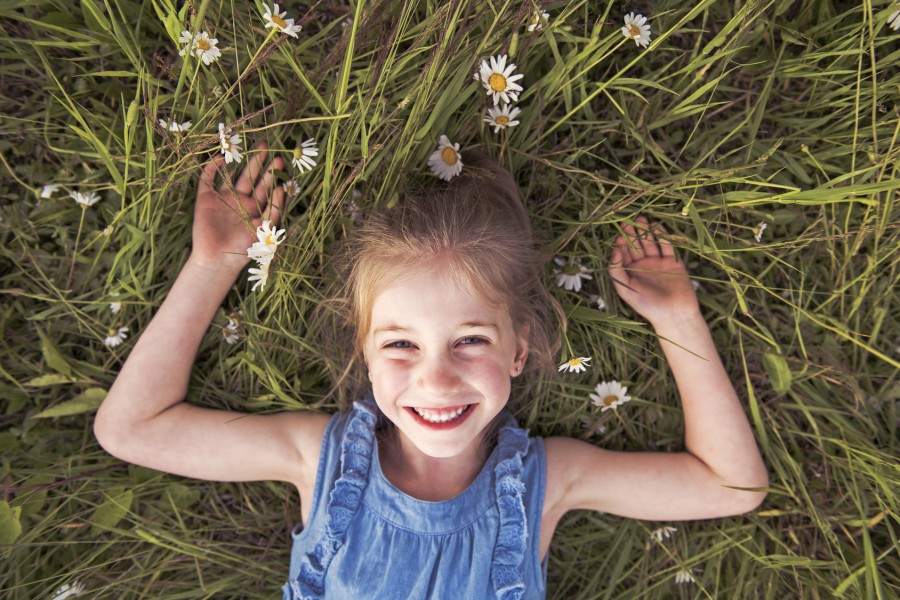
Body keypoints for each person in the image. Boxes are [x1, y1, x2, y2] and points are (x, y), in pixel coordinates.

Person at [94, 144, 768, 599]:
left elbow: (730, 486)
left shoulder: (545, 481)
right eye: (401, 347)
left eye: (469, 340)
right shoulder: (318, 461)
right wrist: (213, 265)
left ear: (520, 350)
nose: (437, 380)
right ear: (364, 352)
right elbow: (133, 428)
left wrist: (679, 323)